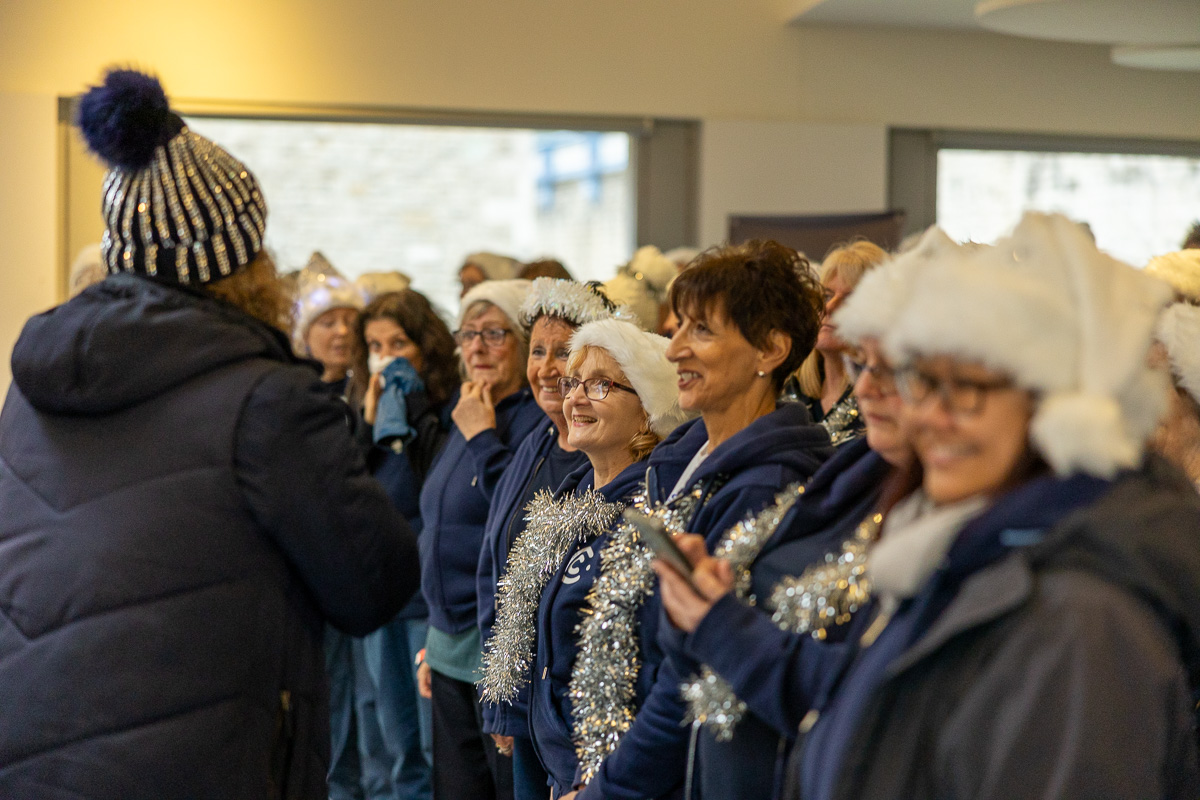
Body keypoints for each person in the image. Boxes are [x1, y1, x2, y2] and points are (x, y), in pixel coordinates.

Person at [661, 213, 1200, 799]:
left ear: (1059, 408)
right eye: (925, 383)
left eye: (967, 389)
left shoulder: (1086, 616)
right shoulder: (954, 550)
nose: (928, 417)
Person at [0, 68, 419, 800]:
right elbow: (373, 583)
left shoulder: (34, 387)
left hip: (30, 752)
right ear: (242, 262)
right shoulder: (269, 399)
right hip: (202, 763)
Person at [656, 230, 949, 800]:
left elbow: (868, 697)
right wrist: (697, 607)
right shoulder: (852, 476)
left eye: (904, 370)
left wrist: (720, 624)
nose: (869, 388)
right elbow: (696, 663)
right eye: (864, 364)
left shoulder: (784, 476)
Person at [564, 240, 834, 800]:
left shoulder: (767, 484)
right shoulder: (684, 458)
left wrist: (605, 792)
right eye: (679, 326)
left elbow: (688, 684)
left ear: (771, 350)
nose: (674, 349)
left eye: (702, 331)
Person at [478, 318, 689, 800]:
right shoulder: (566, 502)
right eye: (573, 383)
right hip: (548, 763)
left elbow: (654, 677)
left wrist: (596, 783)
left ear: (648, 411)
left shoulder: (652, 515)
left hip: (607, 778)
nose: (573, 398)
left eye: (600, 385)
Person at [476, 279, 617, 799]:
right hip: (518, 702)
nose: (547, 368)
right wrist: (501, 693)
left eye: (564, 352)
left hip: (569, 712)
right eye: (537, 351)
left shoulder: (600, 456)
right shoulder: (535, 441)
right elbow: (497, 564)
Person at [418, 279, 543, 800]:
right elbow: (439, 525)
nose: (477, 347)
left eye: (495, 333)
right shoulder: (468, 406)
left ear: (522, 342)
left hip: (494, 646)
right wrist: (432, 638)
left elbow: (519, 521)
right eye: (468, 334)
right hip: (448, 645)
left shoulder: (537, 420)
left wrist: (481, 436)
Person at [347, 289, 459, 800]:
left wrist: (409, 409)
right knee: (391, 750)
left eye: (398, 343)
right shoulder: (364, 415)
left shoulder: (444, 410)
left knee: (432, 752)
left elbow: (438, 485)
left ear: (425, 347)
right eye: (374, 345)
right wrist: (369, 423)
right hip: (380, 599)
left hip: (427, 604)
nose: (386, 356)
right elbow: (343, 489)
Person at [785, 240, 889, 446]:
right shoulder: (787, 390)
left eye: (850, 300)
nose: (829, 307)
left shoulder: (880, 402)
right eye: (825, 296)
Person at [293, 252, 364, 391]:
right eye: (328, 323)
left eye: (350, 322)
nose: (342, 331)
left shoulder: (372, 392)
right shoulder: (292, 394)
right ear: (304, 335)